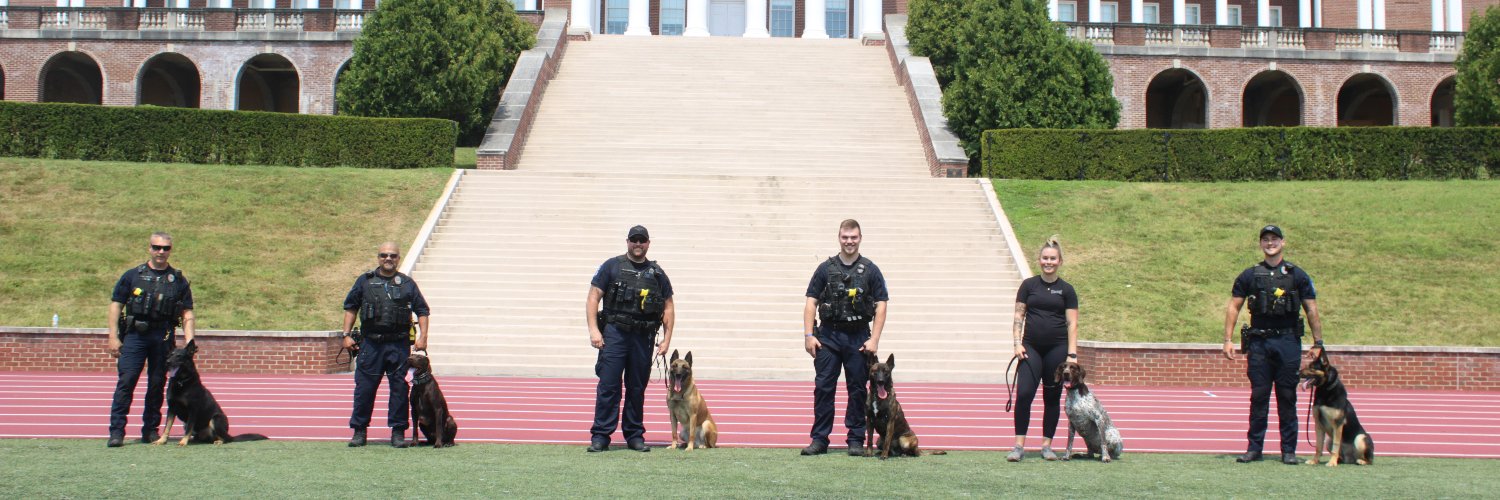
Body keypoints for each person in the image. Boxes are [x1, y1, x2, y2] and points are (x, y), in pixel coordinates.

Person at [1223, 224, 1324, 465]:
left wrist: (1318, 342)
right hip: (1259, 343)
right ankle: (1254, 449)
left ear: (1283, 242)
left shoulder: (1297, 275)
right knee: (1259, 397)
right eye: (1266, 239)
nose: (1270, 243)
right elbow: (1234, 306)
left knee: (1287, 396)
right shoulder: (1249, 275)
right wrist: (1227, 340)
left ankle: (1288, 451)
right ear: (1261, 244)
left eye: (1274, 239)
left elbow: (1311, 309)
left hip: (1287, 342)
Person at [801, 219, 888, 456]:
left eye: (853, 237)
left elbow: (881, 304)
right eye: (845, 237)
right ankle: (819, 439)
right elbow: (811, 302)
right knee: (823, 388)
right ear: (839, 238)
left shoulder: (871, 270)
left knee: (858, 390)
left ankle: (856, 439)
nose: (849, 241)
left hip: (858, 338)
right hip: (828, 336)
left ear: (860, 238)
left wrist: (874, 339)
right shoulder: (824, 269)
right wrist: (809, 335)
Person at [585, 225, 674, 453]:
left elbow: (668, 307)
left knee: (636, 388)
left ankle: (634, 436)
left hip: (643, 337)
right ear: (627, 242)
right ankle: (601, 436)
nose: (638, 244)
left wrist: (666, 340)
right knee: (608, 386)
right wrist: (594, 330)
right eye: (634, 240)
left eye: (642, 240)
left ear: (648, 244)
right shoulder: (611, 266)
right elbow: (593, 297)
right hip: (615, 334)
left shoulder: (657, 273)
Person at [106, 232, 196, 447]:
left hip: (163, 337)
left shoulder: (178, 280)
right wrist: (112, 337)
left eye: (165, 248)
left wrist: (190, 343)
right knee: (126, 382)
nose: (161, 252)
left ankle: (150, 431)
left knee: (157, 384)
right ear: (150, 248)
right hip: (135, 336)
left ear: (170, 250)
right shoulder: (132, 275)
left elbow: (187, 312)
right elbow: (116, 305)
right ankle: (116, 432)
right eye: (156, 247)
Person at [341, 241, 430, 448]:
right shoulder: (364, 281)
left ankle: (398, 432)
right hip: (371, 345)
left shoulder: (407, 283)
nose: (388, 259)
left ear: (398, 258)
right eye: (384, 255)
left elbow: (422, 311)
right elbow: (351, 307)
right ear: (378, 258)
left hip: (398, 345)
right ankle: (359, 430)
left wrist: (423, 337)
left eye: (392, 255)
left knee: (399, 389)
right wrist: (346, 335)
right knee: (364, 389)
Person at [1007, 235, 1078, 462]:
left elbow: (1072, 323)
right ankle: (1018, 446)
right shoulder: (1028, 286)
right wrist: (1017, 343)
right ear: (1039, 260)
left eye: (1053, 258)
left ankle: (1047, 446)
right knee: (1024, 394)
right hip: (1031, 348)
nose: (1049, 262)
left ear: (1060, 261)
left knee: (1052, 397)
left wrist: (1072, 355)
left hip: (1057, 349)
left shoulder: (1067, 290)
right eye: (1045, 258)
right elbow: (1018, 316)